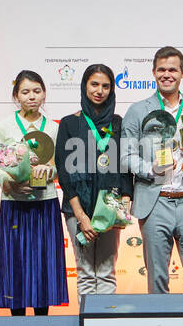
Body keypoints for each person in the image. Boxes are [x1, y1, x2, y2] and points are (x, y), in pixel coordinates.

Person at [120, 46, 183, 294]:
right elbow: (126, 156)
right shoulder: (137, 110)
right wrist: (151, 168)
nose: (166, 74)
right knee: (158, 279)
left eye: (172, 69)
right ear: (153, 72)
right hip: (155, 200)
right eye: (161, 69)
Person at [0, 70, 68, 315]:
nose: (32, 96)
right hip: (14, 202)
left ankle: (43, 322)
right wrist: (8, 182)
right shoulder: (3, 126)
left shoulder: (54, 128)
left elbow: (60, 167)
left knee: (45, 264)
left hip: (45, 202)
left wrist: (50, 171)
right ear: (16, 96)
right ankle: (17, 324)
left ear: (44, 94)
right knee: (15, 264)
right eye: (25, 92)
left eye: (36, 91)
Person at [56, 64, 133, 295]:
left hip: (111, 207)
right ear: (84, 86)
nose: (100, 90)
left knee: (108, 272)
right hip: (79, 208)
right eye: (94, 84)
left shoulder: (118, 123)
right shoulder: (70, 123)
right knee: (87, 273)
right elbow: (64, 172)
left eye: (106, 86)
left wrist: (124, 205)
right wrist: (81, 217)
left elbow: (125, 167)